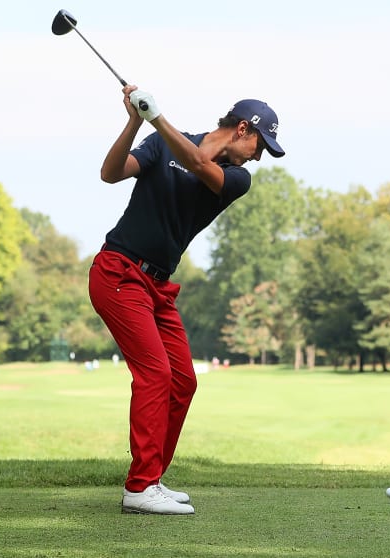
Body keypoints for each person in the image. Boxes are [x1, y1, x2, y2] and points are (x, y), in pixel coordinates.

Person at [88, 85, 285, 515]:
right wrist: (134, 122)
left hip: (157, 288)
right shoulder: (161, 143)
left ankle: (151, 479)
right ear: (242, 129)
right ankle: (140, 488)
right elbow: (111, 172)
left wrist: (157, 117)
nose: (257, 157)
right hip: (119, 273)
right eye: (260, 145)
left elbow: (197, 163)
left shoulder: (237, 179)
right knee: (156, 375)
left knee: (183, 380)